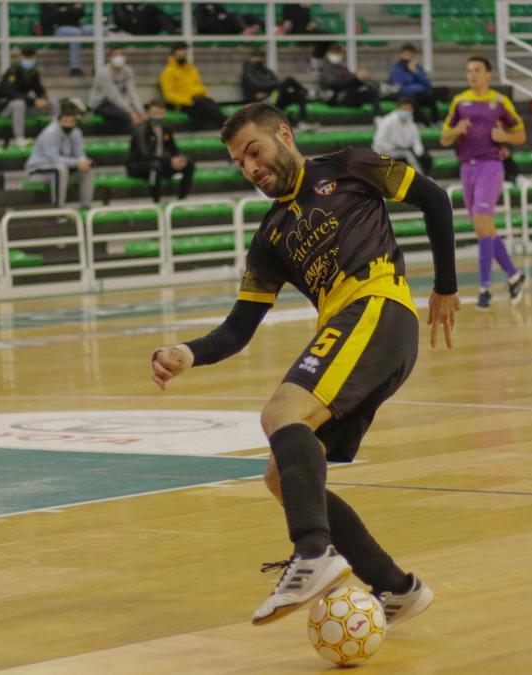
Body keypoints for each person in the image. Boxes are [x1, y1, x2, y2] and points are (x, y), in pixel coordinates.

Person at [150, 103, 458, 628]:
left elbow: (434, 197)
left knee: (278, 416)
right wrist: (188, 353)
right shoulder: (269, 238)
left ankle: (313, 553)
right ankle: (397, 587)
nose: (249, 167)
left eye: (254, 151)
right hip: (352, 330)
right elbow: (239, 327)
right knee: (281, 477)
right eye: (239, 162)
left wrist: (445, 286)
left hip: (379, 308)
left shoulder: (350, 165)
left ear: (283, 136)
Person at [440, 55, 527, 311]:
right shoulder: (460, 101)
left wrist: (505, 137)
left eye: (477, 70)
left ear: (489, 74)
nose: (472, 74)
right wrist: (456, 131)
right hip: (467, 167)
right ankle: (513, 276)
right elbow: (444, 138)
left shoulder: (500, 101)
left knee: (481, 222)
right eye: (469, 71)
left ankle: (485, 289)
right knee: (484, 227)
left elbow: (521, 134)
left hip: (491, 165)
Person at [26, 102, 95, 210]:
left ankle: (86, 207)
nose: (68, 124)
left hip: (63, 171)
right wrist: (76, 163)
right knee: (59, 169)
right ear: (59, 120)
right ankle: (58, 209)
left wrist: (83, 162)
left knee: (87, 170)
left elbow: (80, 153)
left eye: (71, 121)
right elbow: (53, 159)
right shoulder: (50, 133)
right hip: (38, 170)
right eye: (65, 121)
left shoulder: (76, 133)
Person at [127, 99, 195, 202]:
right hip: (139, 164)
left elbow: (173, 149)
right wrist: (169, 161)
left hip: (160, 162)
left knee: (188, 163)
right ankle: (156, 201)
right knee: (155, 167)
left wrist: (179, 158)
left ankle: (182, 199)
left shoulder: (166, 129)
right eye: (154, 113)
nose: (157, 117)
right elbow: (145, 154)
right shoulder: (141, 129)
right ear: (149, 113)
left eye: (160, 114)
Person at [159, 43, 226, 129]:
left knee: (212, 105)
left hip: (199, 100)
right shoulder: (168, 72)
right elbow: (168, 95)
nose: (182, 56)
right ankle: (229, 126)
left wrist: (202, 95)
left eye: (184, 54)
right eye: (180, 55)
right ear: (173, 55)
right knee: (209, 109)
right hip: (184, 104)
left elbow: (199, 85)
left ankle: (226, 126)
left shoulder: (191, 69)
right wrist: (188, 101)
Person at [241, 49, 312, 130]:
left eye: (261, 57)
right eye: (256, 57)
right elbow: (259, 85)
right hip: (260, 102)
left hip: (273, 97)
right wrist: (273, 87)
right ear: (251, 58)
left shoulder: (267, 71)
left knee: (299, 94)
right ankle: (309, 92)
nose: (258, 59)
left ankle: (303, 123)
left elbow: (274, 82)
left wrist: (271, 88)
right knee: (288, 80)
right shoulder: (248, 72)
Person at [0, 47, 50, 146]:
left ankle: (53, 136)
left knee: (52, 103)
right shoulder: (12, 71)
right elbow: (9, 93)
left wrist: (43, 98)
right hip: (5, 108)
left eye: (32, 57)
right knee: (19, 104)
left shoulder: (33, 72)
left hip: (25, 107)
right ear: (21, 57)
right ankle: (19, 138)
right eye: (27, 57)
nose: (29, 60)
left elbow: (39, 89)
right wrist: (33, 101)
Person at [88, 47, 146, 131]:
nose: (119, 57)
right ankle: (128, 139)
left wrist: (141, 112)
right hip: (101, 104)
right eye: (115, 55)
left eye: (121, 55)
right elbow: (114, 96)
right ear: (109, 58)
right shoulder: (104, 73)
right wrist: (131, 112)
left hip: (116, 104)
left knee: (139, 116)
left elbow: (133, 92)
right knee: (126, 116)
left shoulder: (128, 70)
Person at [319, 44, 381, 121]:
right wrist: (356, 79)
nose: (337, 55)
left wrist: (362, 77)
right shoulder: (326, 69)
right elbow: (335, 84)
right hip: (337, 97)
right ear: (328, 54)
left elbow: (352, 79)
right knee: (367, 91)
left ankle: (378, 118)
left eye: (339, 53)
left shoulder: (342, 68)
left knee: (372, 90)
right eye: (334, 52)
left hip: (348, 94)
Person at [373, 98, 430, 177]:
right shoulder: (387, 121)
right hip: (386, 152)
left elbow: (416, 142)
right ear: (398, 109)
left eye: (409, 109)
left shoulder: (411, 123)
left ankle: (423, 178)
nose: (406, 111)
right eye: (404, 109)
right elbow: (379, 142)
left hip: (403, 151)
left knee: (425, 158)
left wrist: (419, 153)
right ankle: (420, 178)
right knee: (408, 156)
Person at [39, 2, 96, 77]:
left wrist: (65, 10)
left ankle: (99, 66)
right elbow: (54, 16)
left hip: (78, 27)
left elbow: (80, 12)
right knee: (76, 34)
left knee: (100, 31)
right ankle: (75, 69)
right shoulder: (49, 3)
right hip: (57, 30)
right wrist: (71, 10)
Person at [389, 43, 439, 127]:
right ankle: (425, 123)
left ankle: (435, 122)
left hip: (419, 94)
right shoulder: (396, 70)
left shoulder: (418, 68)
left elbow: (428, 85)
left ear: (414, 56)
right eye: (406, 55)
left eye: (410, 55)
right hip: (405, 96)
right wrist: (419, 87)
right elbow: (401, 88)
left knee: (431, 95)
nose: (408, 57)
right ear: (401, 55)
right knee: (411, 99)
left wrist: (416, 72)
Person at [281, 4, 330, 70]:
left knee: (327, 35)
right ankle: (315, 62)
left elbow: (307, 21)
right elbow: (297, 21)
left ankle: (316, 59)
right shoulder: (289, 5)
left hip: (306, 29)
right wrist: (306, 8)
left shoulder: (302, 5)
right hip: (295, 31)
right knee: (323, 35)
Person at [112, 3, 179, 35]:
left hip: (145, 28)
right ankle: (176, 25)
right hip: (133, 31)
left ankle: (174, 27)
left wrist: (137, 13)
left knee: (157, 16)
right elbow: (125, 21)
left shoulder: (134, 5)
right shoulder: (119, 5)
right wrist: (136, 15)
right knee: (151, 8)